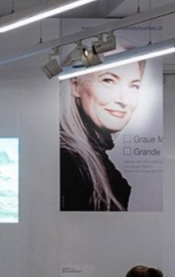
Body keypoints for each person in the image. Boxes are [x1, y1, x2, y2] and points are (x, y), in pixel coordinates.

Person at [60, 62, 145, 211]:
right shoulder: (67, 160)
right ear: (75, 85)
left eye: (134, 86)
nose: (124, 100)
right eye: (108, 80)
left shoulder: (92, 155)